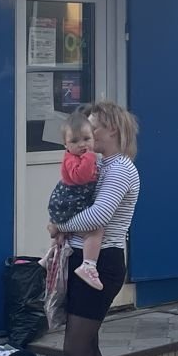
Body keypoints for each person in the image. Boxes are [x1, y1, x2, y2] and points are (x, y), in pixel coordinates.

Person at [49, 101, 140, 356]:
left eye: (93, 128)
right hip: (84, 260)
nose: (86, 135)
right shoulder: (100, 165)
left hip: (101, 263)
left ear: (112, 130)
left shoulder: (121, 169)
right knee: (88, 346)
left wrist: (59, 225)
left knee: (75, 348)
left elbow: (98, 216)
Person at [47, 111, 105, 290]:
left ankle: (50, 254)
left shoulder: (81, 157)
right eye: (74, 141)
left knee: (65, 233)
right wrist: (90, 156)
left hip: (74, 201)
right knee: (95, 230)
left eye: (87, 139)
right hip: (69, 202)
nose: (82, 145)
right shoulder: (72, 159)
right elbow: (81, 176)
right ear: (65, 144)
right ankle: (89, 265)